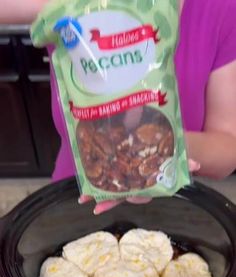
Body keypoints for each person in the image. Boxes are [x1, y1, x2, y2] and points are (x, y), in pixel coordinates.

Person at [1, 0, 236, 214]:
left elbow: (228, 148)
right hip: (78, 192)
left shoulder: (219, 8)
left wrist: (160, 149)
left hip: (173, 195)